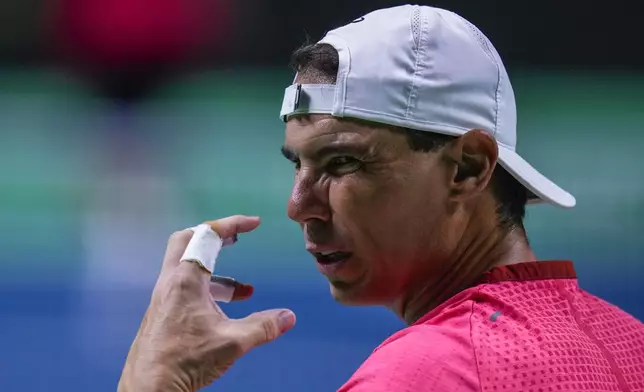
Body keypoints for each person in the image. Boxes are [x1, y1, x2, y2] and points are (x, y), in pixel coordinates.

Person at [118, 5, 644, 392]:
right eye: (297, 164)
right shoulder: (631, 344)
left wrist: (157, 379)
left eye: (343, 163)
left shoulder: (429, 373)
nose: (298, 205)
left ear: (468, 167)